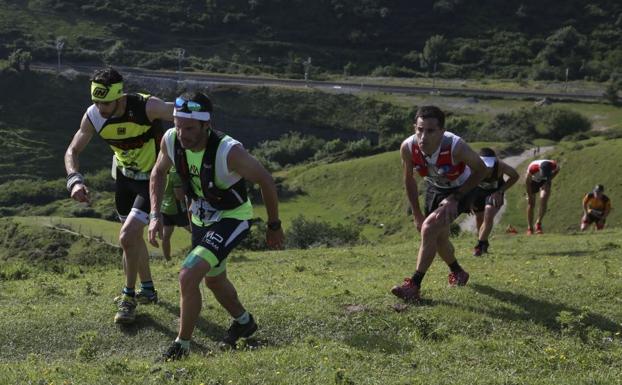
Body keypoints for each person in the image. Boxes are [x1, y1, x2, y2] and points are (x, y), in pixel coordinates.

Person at [148, 91, 284, 360]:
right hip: (200, 219)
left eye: (189, 128)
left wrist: (274, 226)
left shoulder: (229, 151)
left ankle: (182, 345)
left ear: (205, 125)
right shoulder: (171, 140)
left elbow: (266, 181)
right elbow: (158, 172)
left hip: (232, 218)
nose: (182, 133)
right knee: (214, 280)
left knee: (188, 274)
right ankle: (244, 322)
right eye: (177, 125)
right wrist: (154, 214)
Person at [64, 67, 173, 324]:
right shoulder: (93, 116)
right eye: (97, 101)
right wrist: (74, 180)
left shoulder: (146, 107)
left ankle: (128, 298)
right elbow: (72, 151)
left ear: (120, 95)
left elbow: (184, 113)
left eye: (106, 102)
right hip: (124, 180)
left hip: (152, 180)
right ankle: (147, 290)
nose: (101, 107)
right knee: (132, 239)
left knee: (126, 236)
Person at [391, 106, 487, 302]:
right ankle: (458, 272)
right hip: (435, 188)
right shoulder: (408, 148)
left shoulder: (455, 147)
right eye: (419, 129)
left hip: (463, 188)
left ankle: (414, 286)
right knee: (437, 236)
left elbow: (482, 170)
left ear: (441, 131)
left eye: (430, 130)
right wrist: (417, 214)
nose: (423, 136)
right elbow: (408, 179)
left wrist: (456, 197)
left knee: (429, 229)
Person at [471, 148, 519, 256]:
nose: (488, 168)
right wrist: (468, 201)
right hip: (477, 193)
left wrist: (501, 191)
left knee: (489, 213)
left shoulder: (500, 166)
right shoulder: (471, 166)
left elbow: (515, 176)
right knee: (479, 218)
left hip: (495, 193)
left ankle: (479, 245)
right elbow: (465, 182)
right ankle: (484, 242)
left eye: (490, 165)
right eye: (484, 165)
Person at [160, 168, 190, 261]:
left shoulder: (161, 171)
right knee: (195, 231)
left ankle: (167, 259)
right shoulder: (175, 173)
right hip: (177, 209)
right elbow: (179, 196)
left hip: (164, 208)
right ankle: (196, 257)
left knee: (166, 236)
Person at [525, 159, 559, 234]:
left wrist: (548, 179)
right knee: (531, 203)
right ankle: (530, 228)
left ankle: (538, 223)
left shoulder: (553, 165)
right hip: (533, 181)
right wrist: (530, 195)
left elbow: (557, 170)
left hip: (545, 180)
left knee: (544, 198)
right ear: (540, 169)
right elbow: (527, 183)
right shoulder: (532, 168)